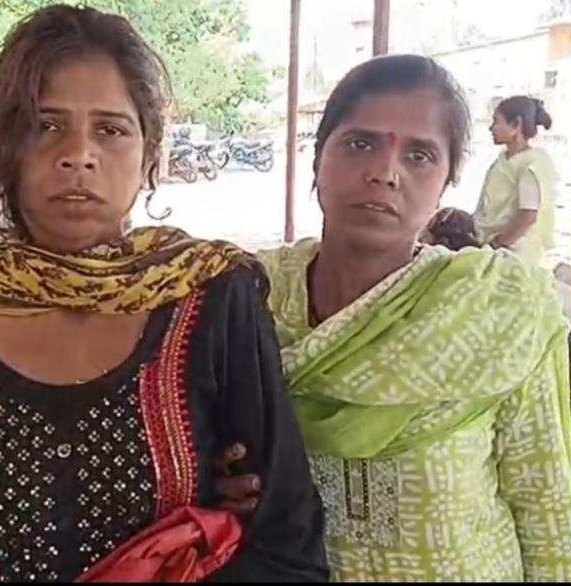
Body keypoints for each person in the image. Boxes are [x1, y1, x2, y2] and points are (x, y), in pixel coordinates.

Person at [0, 6, 327, 583]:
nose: (79, 154)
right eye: (45, 126)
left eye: (111, 130)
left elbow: (287, 545)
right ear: (6, 146)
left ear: (148, 153)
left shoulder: (212, 296)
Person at [214, 55, 571, 581]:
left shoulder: (496, 310)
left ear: (446, 183)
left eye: (420, 155)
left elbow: (547, 509)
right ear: (319, 159)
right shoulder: (247, 299)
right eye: (360, 144)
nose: (384, 172)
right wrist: (211, 481)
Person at [474, 96, 558, 265]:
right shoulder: (504, 160)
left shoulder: (531, 164)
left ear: (516, 125)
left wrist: (498, 243)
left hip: (515, 254)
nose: (491, 128)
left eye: (496, 121)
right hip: (494, 246)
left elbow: (528, 216)